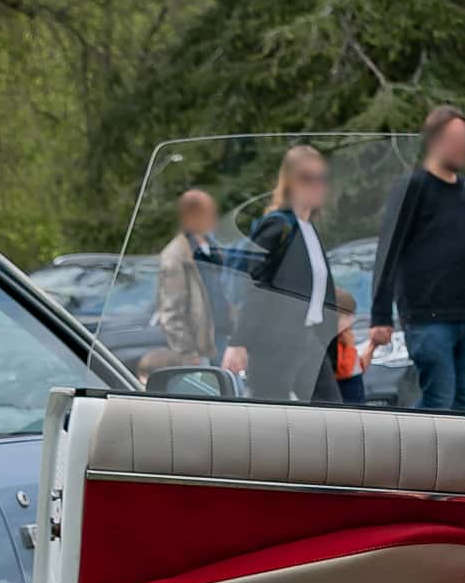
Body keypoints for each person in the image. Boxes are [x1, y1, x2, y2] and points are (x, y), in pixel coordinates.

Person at [376, 105, 465, 412]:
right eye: (455, 139)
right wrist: (380, 316)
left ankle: (460, 461)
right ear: (434, 141)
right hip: (428, 319)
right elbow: (388, 251)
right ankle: (401, 440)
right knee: (440, 398)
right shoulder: (412, 188)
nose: (462, 147)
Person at [228, 145, 341, 405]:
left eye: (322, 178)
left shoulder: (307, 228)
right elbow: (255, 284)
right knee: (273, 414)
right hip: (275, 344)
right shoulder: (279, 225)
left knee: (331, 411)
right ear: (289, 182)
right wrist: (239, 342)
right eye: (307, 178)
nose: (317, 185)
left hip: (307, 340)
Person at [144, 188, 228, 383]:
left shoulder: (213, 248)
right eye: (208, 212)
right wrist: (188, 352)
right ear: (192, 216)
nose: (214, 218)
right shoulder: (175, 256)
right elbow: (171, 311)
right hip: (200, 349)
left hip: (222, 337)